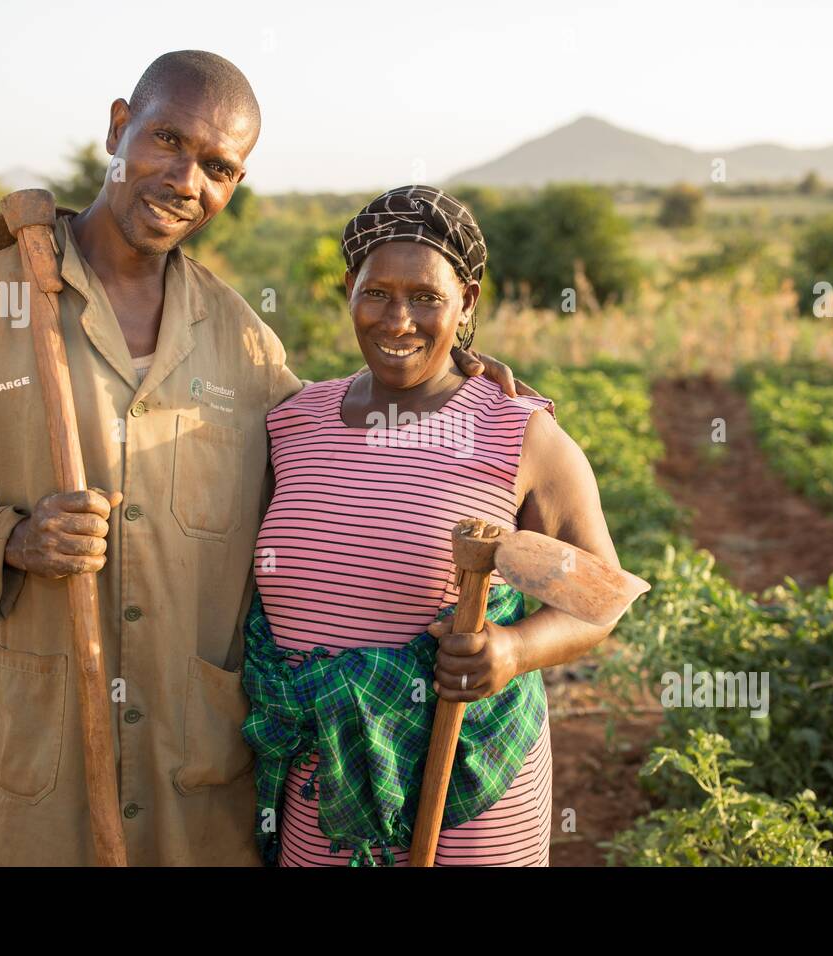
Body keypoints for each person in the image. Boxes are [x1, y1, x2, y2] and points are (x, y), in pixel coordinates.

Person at [0, 53, 522, 866]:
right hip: (49, 755)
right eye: (166, 140)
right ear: (118, 127)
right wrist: (14, 540)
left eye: (217, 167)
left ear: (235, 184)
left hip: (200, 770)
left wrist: (452, 376)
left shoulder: (242, 339)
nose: (186, 180)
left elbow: (333, 446)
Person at [244, 186, 623, 866]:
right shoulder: (293, 421)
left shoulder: (518, 432)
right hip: (320, 777)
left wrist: (511, 651)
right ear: (348, 290)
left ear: (468, 302)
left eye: (426, 298)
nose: (397, 321)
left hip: (466, 780)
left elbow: (597, 599)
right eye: (376, 293)